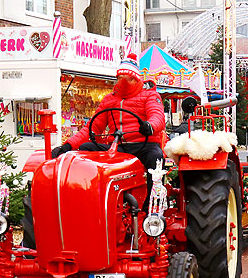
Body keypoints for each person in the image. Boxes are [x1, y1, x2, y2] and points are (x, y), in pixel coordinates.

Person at [50, 54, 166, 183]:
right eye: (120, 78)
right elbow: (92, 127)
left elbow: (157, 116)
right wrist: (68, 145)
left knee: (156, 157)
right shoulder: (109, 99)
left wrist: (150, 126)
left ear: (136, 79)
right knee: (85, 148)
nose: (124, 82)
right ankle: (85, 188)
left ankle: (152, 200)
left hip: (144, 146)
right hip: (118, 147)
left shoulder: (150, 95)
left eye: (129, 79)